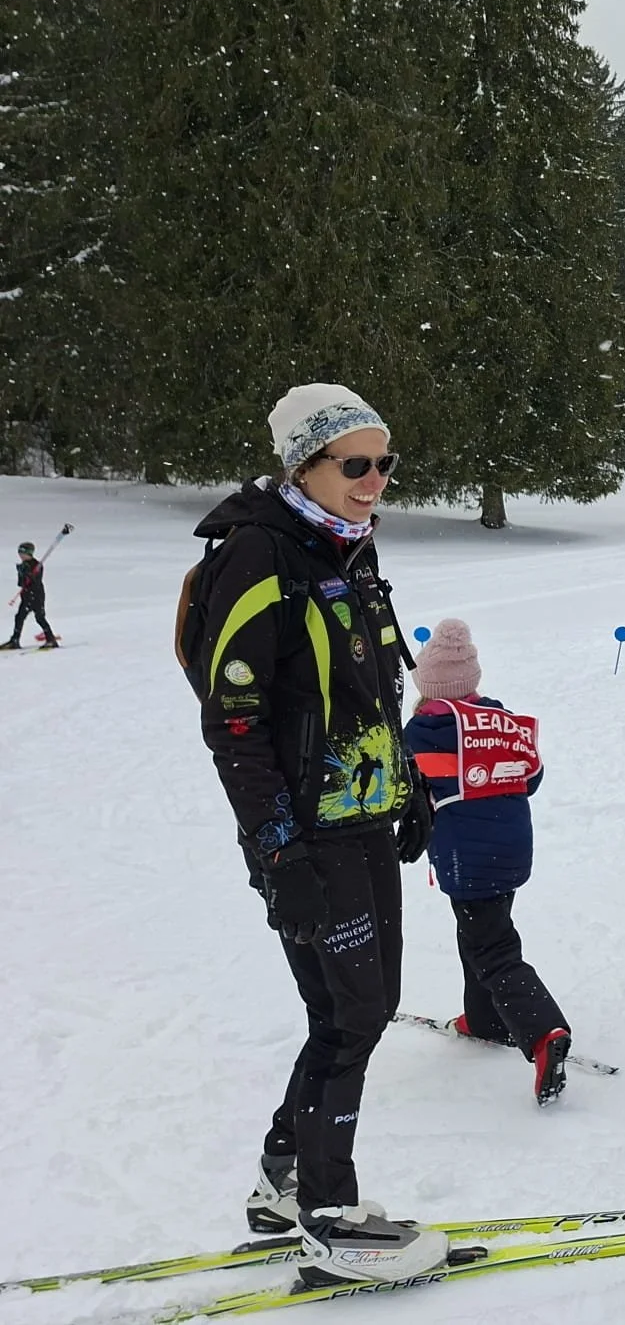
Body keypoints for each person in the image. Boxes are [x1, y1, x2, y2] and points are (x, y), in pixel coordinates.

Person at [188, 383, 445, 1282]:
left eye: (385, 463)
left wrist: (408, 789)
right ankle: (331, 1219)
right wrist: (275, 848)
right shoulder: (261, 555)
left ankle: (281, 1184)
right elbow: (236, 724)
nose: (375, 481)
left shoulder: (346, 547)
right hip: (308, 834)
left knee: (348, 1011)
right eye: (356, 464)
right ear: (304, 464)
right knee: (353, 1017)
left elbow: (372, 688)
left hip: (364, 817)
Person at [403, 619, 570, 1106]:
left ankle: (544, 1033)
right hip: (512, 848)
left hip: (465, 859)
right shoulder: (501, 720)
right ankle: (484, 1019)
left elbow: (405, 792)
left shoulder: (424, 730)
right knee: (480, 932)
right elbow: (531, 777)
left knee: (492, 947)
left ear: (427, 685)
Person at [5, 539, 56, 648]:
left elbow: (37, 582)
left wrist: (31, 576)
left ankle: (50, 639)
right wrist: (22, 573)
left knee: (39, 617)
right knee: (19, 617)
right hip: (27, 595)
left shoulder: (37, 565)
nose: (21, 556)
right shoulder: (23, 565)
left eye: (23, 553)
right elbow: (21, 583)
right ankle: (15, 640)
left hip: (36, 595)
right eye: (20, 553)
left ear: (30, 553)